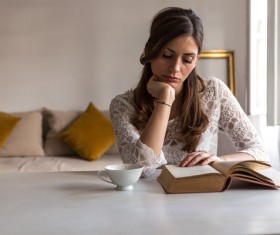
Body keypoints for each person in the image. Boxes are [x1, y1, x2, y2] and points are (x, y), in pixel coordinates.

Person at [109, 7, 268, 177]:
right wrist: (165, 99)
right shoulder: (123, 106)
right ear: (151, 51)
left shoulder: (213, 91)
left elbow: (259, 152)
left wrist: (219, 161)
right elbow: (142, 169)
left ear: (196, 60)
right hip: (148, 200)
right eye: (166, 55)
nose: (175, 68)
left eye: (187, 59)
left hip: (201, 196)